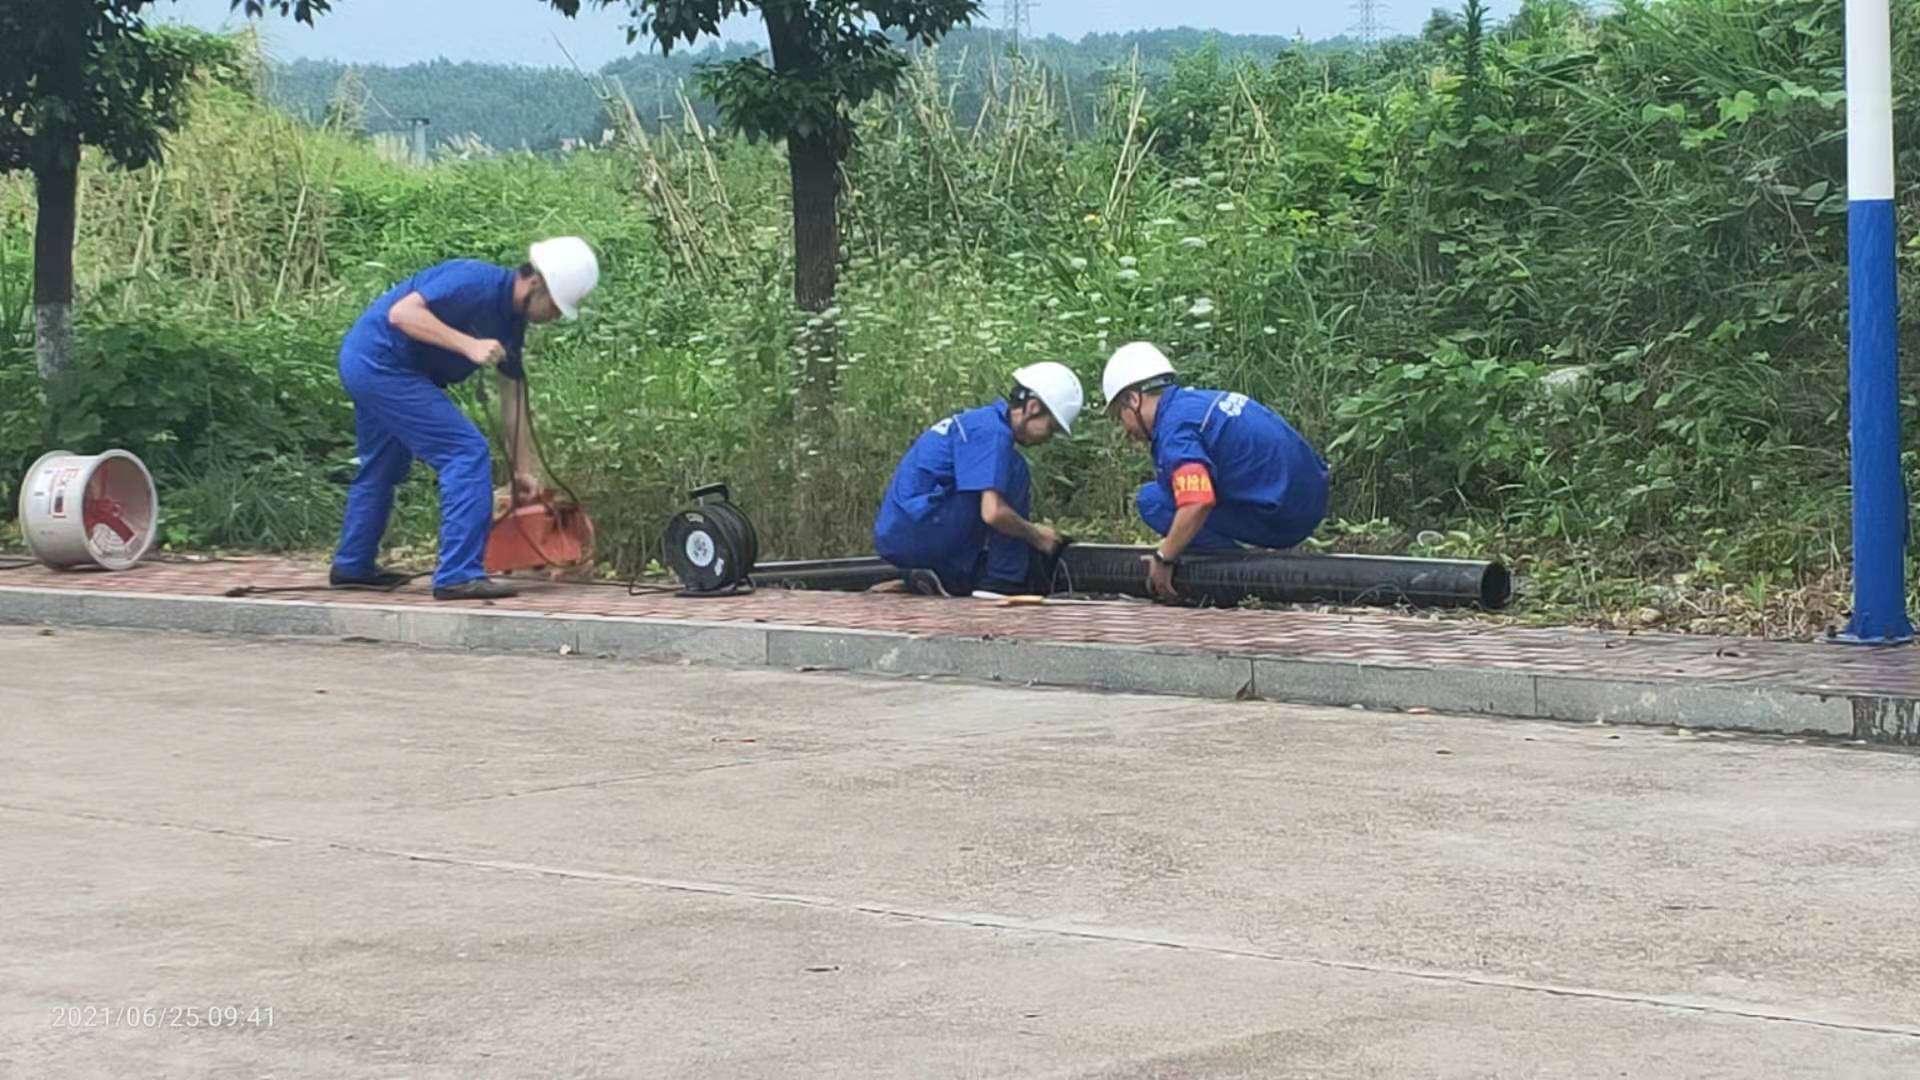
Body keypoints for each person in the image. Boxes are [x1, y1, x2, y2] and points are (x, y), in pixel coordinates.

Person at [330, 238, 600, 600]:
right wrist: (468, 344)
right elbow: (402, 314)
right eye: (555, 305)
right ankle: (458, 574)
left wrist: (522, 470)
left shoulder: (511, 322)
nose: (555, 315)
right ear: (536, 283)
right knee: (465, 451)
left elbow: (513, 392)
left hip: (377, 365)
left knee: (383, 465)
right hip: (381, 363)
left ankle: (352, 565)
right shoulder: (474, 281)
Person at [1101, 341, 1329, 599]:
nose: (1126, 429)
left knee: (1152, 500)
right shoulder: (1199, 402)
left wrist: (1164, 557)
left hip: (1285, 520)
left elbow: (1197, 501)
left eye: (1120, 414)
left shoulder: (1175, 429)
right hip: (1309, 502)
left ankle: (1232, 580)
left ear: (1133, 399)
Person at [873, 363, 1085, 596]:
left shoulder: (980, 422)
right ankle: (1002, 583)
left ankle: (932, 578)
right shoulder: (992, 433)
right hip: (920, 529)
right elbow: (992, 513)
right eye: (1051, 428)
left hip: (905, 531)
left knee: (1000, 476)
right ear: (1033, 408)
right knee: (1014, 470)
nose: (1048, 438)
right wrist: (1038, 536)